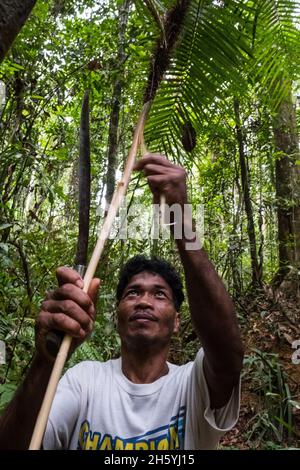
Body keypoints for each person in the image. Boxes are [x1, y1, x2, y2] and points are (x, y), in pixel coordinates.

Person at [0, 154, 243, 450]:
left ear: (178, 321)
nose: (143, 301)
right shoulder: (84, 381)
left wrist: (182, 220)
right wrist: (46, 360)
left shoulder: (193, 386)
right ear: (116, 316)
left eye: (159, 294)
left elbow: (227, 350)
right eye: (132, 293)